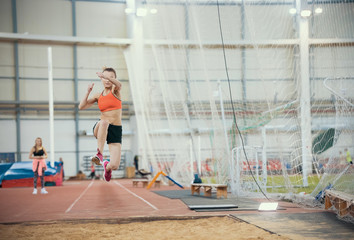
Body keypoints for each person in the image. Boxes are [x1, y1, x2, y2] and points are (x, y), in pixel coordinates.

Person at [79, 67, 123, 182]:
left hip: (115, 129)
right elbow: (81, 106)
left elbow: (119, 85)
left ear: (114, 78)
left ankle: (107, 167)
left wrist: (106, 76)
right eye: (104, 78)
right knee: (104, 122)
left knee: (115, 165)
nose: (107, 80)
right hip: (101, 128)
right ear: (101, 80)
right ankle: (99, 154)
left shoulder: (115, 91)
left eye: (110, 77)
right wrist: (88, 91)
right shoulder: (98, 95)